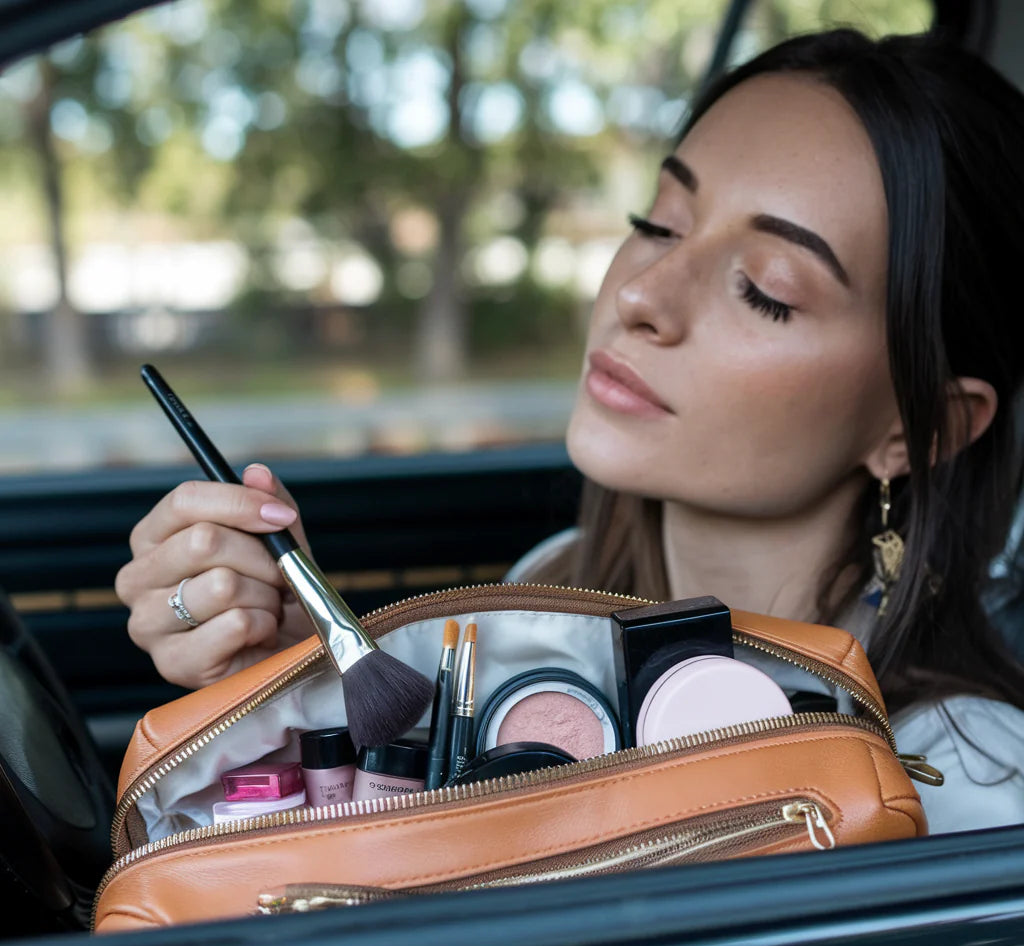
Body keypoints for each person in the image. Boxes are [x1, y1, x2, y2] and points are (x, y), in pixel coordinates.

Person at [115, 28, 1024, 834]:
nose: (639, 295)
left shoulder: (969, 789)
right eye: (659, 224)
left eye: (767, 290)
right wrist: (290, 688)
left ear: (922, 427)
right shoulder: (552, 590)